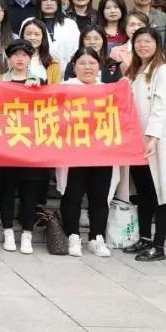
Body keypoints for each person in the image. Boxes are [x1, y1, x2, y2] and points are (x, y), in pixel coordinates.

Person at [123, 27, 166, 262]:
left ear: (157, 45)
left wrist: (153, 137)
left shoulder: (161, 71)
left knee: (161, 192)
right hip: (136, 140)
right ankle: (145, 238)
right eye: (138, 42)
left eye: (147, 41)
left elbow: (161, 107)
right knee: (144, 192)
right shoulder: (135, 71)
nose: (142, 46)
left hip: (155, 141)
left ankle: (159, 246)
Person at [58, 48, 119, 258]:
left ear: (99, 66)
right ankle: (73, 236)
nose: (87, 67)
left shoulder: (108, 90)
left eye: (92, 63)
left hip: (102, 152)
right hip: (73, 152)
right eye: (82, 63)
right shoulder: (65, 88)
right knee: (72, 194)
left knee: (100, 196)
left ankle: (96, 237)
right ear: (74, 67)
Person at [0, 39, 46, 254]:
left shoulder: (40, 82)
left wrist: (38, 92)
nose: (19, 59)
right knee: (7, 190)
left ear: (30, 58)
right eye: (15, 55)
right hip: (6, 145)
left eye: (24, 55)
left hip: (30, 146)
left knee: (30, 191)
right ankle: (7, 231)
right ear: (9, 58)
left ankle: (27, 234)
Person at [36, 0, 80, 67]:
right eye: (44, 0)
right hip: (37, 69)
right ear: (39, 2)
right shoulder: (30, 23)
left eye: (53, 0)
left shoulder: (70, 24)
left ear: (58, 3)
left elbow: (78, 48)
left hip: (66, 69)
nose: (49, 3)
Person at [18, 18, 62, 84]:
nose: (32, 37)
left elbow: (57, 88)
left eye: (37, 34)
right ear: (22, 36)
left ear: (43, 37)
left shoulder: (53, 63)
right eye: (28, 34)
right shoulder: (14, 60)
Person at [108, 11, 150, 76]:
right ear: (125, 28)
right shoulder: (115, 51)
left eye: (140, 25)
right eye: (132, 25)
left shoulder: (154, 49)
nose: (136, 28)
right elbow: (110, 75)